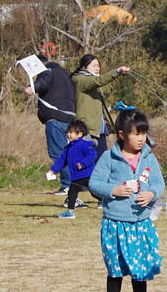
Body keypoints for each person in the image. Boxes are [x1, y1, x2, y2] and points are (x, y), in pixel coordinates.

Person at [88, 108, 166, 292]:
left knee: (139, 265)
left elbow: (159, 183)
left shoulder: (148, 158)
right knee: (116, 264)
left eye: (144, 133)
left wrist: (152, 193)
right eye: (136, 134)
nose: (141, 139)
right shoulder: (109, 158)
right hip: (115, 222)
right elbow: (94, 183)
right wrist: (114, 190)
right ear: (122, 135)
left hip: (140, 222)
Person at [24, 46, 79, 192]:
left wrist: (33, 88)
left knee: (58, 152)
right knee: (68, 151)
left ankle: (68, 185)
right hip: (69, 117)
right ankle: (74, 183)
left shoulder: (46, 71)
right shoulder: (65, 73)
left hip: (55, 118)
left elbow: (44, 82)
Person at [73, 53, 132, 158]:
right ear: (84, 67)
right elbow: (98, 81)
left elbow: (105, 88)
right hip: (86, 131)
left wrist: (119, 76)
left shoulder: (93, 83)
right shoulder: (80, 79)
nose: (97, 68)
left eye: (98, 65)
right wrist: (116, 72)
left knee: (101, 162)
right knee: (87, 164)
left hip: (99, 130)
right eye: (94, 66)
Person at [52, 119, 99, 219]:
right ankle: (70, 212)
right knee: (72, 193)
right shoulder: (68, 148)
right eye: (68, 132)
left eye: (71, 132)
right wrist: (53, 170)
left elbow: (92, 154)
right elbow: (62, 161)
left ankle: (105, 201)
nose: (68, 134)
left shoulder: (84, 145)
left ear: (80, 134)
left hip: (87, 175)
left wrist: (83, 164)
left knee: (94, 192)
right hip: (76, 177)